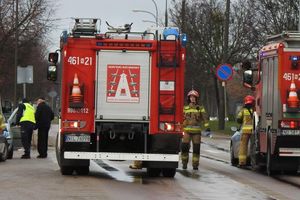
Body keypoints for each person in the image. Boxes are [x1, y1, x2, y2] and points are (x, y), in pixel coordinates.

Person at [181, 89, 210, 170]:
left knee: (196, 149)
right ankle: (184, 163)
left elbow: (205, 117)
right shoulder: (185, 108)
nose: (192, 98)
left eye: (194, 97)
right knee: (184, 147)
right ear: (188, 98)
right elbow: (181, 118)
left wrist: (207, 127)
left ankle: (195, 165)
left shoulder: (200, 108)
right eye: (191, 97)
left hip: (196, 132)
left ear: (197, 98)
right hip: (186, 131)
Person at [236, 95, 255, 167]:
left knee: (243, 146)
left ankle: (242, 162)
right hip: (253, 131)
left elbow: (238, 119)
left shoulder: (243, 110)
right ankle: (253, 163)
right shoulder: (255, 110)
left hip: (245, 131)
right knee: (253, 147)